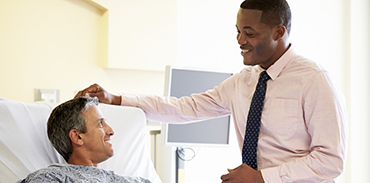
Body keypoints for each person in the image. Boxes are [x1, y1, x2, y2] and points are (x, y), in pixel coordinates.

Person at [75, 0, 347, 182]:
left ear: (279, 32)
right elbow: (183, 108)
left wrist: (262, 178)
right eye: (238, 31)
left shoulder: (314, 80)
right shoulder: (244, 81)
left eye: (249, 33)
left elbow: (330, 160)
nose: (240, 41)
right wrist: (115, 99)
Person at [18, 97, 152, 183]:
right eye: (100, 124)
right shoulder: (49, 178)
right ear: (77, 137)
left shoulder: (131, 181)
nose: (111, 131)